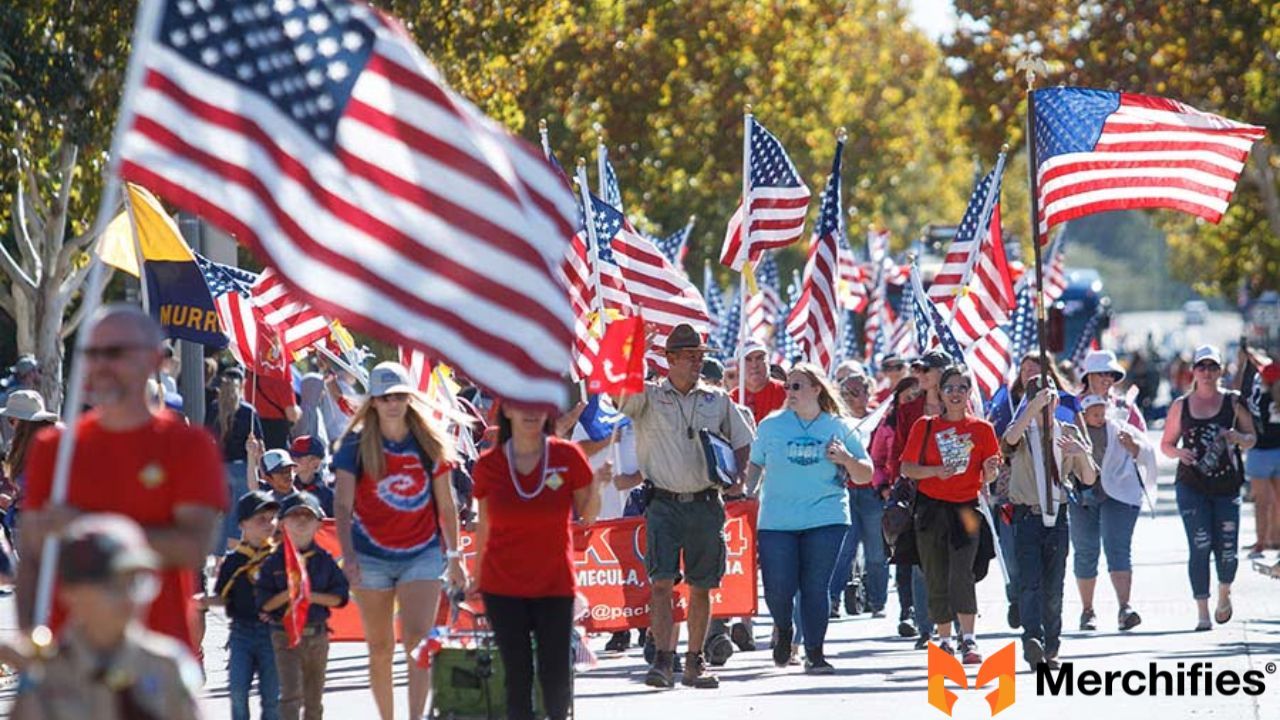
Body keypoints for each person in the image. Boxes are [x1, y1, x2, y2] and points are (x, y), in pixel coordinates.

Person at [19, 304, 226, 655]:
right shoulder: (53, 448)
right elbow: (32, 558)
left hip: (157, 661)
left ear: (155, 360)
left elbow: (192, 547)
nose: (100, 366)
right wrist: (32, 644)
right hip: (70, 660)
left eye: (115, 353)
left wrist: (84, 525)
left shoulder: (189, 445)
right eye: (92, 353)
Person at [615, 323, 753, 690]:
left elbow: (743, 440)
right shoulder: (647, 396)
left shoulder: (717, 399)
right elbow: (617, 397)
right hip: (662, 501)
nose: (697, 363)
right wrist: (630, 355)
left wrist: (737, 476)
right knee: (660, 583)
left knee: (702, 586)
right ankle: (663, 659)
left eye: (700, 356)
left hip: (706, 502)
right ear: (670, 360)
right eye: (690, 356)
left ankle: (695, 661)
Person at [332, 361, 466, 720]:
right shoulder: (355, 445)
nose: (393, 403)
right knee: (379, 647)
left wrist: (455, 557)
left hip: (421, 552)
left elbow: (446, 504)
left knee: (417, 640)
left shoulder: (429, 441)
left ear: (410, 398)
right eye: (385, 397)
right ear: (373, 401)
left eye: (400, 396)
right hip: (370, 554)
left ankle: (415, 717)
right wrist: (348, 556)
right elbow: (342, 505)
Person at [468, 403, 603, 720]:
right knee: (517, 674)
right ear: (508, 412)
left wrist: (598, 484)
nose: (530, 411)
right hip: (502, 584)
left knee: (555, 674)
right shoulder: (489, 464)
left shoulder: (567, 456)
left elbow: (588, 514)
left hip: (554, 583)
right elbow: (484, 523)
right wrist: (475, 576)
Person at [9, 514, 205, 720]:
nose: (129, 598)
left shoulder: (167, 667)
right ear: (71, 594)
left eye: (136, 584)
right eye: (112, 586)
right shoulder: (47, 678)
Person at [746, 364, 872, 674]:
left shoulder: (839, 427)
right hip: (777, 519)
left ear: (817, 389)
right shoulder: (770, 426)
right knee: (778, 588)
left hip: (826, 515)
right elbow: (754, 465)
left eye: (798, 386)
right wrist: (747, 493)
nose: (790, 392)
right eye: (788, 386)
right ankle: (784, 629)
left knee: (815, 586)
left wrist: (845, 458)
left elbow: (865, 473)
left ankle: (815, 653)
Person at [900, 365, 1001, 665]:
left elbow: (990, 473)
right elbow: (907, 468)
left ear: (970, 393)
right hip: (931, 509)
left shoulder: (982, 429)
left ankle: (968, 639)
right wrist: (935, 472)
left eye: (961, 388)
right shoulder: (925, 426)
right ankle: (943, 640)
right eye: (950, 388)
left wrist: (991, 470)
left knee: (962, 573)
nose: (955, 394)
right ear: (940, 394)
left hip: (967, 509)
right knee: (936, 574)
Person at [1002, 377, 1098, 670]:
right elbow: (1007, 443)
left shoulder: (1066, 432)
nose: (1047, 404)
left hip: (1057, 516)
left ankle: (1052, 646)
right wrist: (1031, 409)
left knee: (1053, 585)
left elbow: (1090, 478)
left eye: (1051, 398)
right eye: (1040, 398)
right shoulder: (1021, 432)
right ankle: (1033, 639)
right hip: (1027, 516)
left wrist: (1081, 454)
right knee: (1030, 582)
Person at [1160, 344, 1256, 631]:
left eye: (1212, 367)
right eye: (1201, 367)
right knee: (1200, 545)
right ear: (1193, 371)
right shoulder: (1181, 405)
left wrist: (1237, 436)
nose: (1206, 372)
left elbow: (1251, 437)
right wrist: (1180, 454)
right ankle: (1202, 611)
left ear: (1220, 371)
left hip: (1227, 485)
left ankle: (1224, 593)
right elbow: (1166, 444)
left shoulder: (1232, 402)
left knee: (1227, 549)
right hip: (1192, 484)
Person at [255, 492, 349, 720]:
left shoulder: (325, 560)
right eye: (294, 515)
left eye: (308, 516)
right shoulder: (273, 562)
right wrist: (290, 593)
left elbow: (339, 598)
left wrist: (308, 595)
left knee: (314, 700)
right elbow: (264, 603)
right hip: (284, 635)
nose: (301, 521)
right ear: (283, 523)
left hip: (317, 635)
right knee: (290, 695)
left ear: (319, 524)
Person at [1073, 393, 1157, 633]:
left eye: (1102, 413)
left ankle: (1125, 608)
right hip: (1082, 496)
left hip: (1117, 495)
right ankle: (1087, 610)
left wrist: (1132, 446)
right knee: (1085, 551)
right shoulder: (1073, 429)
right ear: (1084, 414)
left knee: (1118, 548)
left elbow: (1145, 451)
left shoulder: (1120, 427)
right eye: (1094, 414)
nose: (1100, 418)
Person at [209, 491, 281, 720]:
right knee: (238, 692)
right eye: (261, 519)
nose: (268, 524)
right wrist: (203, 602)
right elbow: (222, 595)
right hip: (241, 634)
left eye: (271, 518)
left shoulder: (280, 558)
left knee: (272, 698)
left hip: (273, 634)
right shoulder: (234, 560)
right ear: (242, 524)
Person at [829, 373, 888, 619]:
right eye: (846, 393)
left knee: (876, 551)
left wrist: (884, 482)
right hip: (845, 491)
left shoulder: (879, 420)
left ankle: (877, 601)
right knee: (844, 549)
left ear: (868, 393)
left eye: (857, 392)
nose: (852, 398)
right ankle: (832, 599)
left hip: (872, 492)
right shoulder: (836, 423)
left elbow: (886, 452)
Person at [207, 366, 265, 550]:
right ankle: (234, 552)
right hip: (242, 469)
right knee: (239, 513)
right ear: (242, 386)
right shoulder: (248, 411)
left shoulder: (214, 408)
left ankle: (217, 554)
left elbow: (206, 436)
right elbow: (260, 445)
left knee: (220, 512)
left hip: (219, 469)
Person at [1, 390, 59, 548]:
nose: (10, 424)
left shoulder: (45, 446)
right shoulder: (38, 443)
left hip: (37, 523)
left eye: (12, 420)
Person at [1242, 356, 1280, 557]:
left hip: (1260, 454)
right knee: (1278, 502)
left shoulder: (1260, 399)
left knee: (1261, 502)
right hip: (1279, 451)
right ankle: (1276, 538)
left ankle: (1261, 542)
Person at [733, 341, 787, 425]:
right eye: (748, 359)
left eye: (759, 358)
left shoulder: (787, 393)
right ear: (738, 367)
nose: (754, 365)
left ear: (768, 362)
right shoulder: (730, 400)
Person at [246, 370, 301, 451]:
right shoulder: (281, 374)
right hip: (276, 432)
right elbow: (292, 414)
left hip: (253, 429)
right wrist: (299, 411)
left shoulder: (252, 373)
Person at [290, 435, 335, 518]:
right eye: (292, 457)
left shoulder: (328, 495)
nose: (293, 461)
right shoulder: (287, 488)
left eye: (299, 457)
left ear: (315, 462)